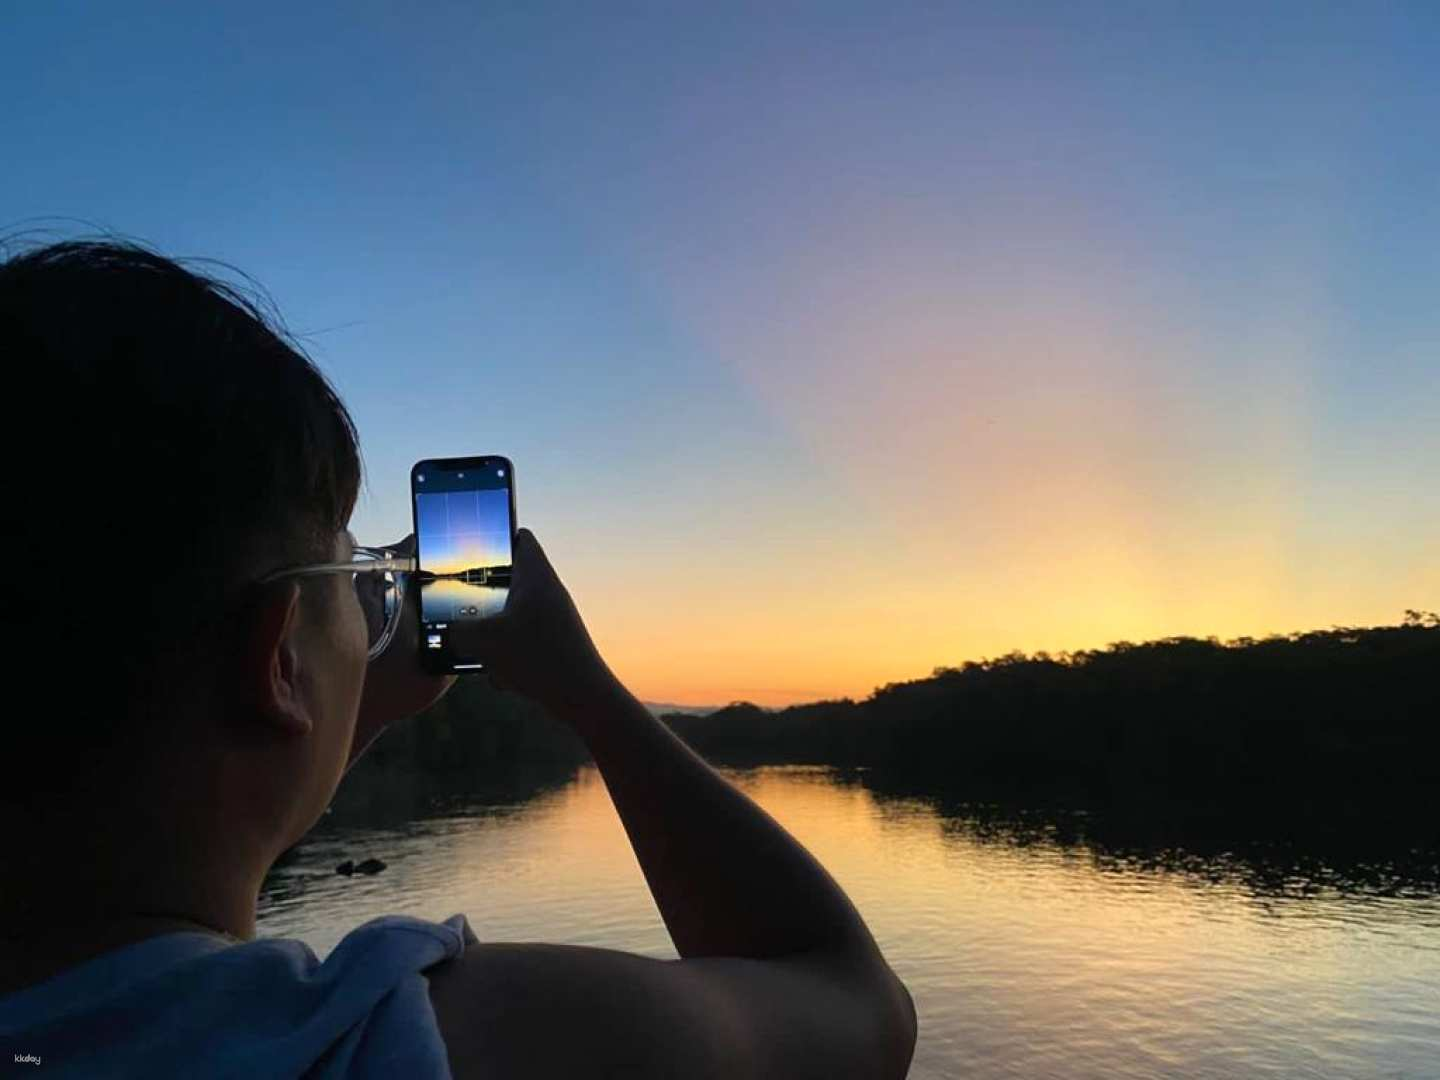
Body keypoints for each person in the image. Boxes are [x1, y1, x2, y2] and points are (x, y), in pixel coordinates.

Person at [0, 237, 917, 1079]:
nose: (371, 609)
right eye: (356, 578)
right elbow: (855, 1003)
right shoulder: (411, 1042)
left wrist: (360, 704)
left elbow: (183, 856)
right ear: (278, 657)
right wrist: (585, 693)